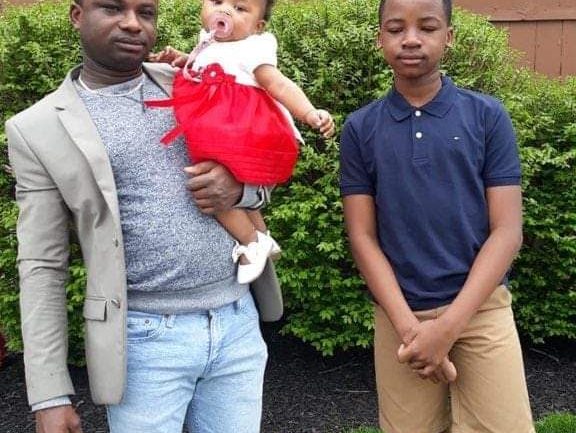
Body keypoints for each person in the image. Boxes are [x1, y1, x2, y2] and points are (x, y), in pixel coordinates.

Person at [5, 0, 283, 431]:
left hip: (236, 324)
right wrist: (49, 395)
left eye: (146, 12)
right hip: (142, 343)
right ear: (77, 16)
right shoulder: (37, 128)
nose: (133, 24)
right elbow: (42, 264)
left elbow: (264, 158)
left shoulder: (195, 79)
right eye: (113, 9)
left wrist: (239, 189)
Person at [340, 0, 535, 432]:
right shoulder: (360, 128)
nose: (410, 39)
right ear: (380, 39)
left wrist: (447, 328)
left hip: (481, 309)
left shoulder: (487, 116)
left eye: (427, 27)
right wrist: (412, 330)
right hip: (400, 314)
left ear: (448, 37)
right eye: (396, 29)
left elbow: (507, 231)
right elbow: (362, 236)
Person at [147, 0, 335, 284]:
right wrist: (184, 59)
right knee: (233, 180)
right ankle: (261, 235)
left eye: (239, 8)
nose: (225, 11)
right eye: (217, 2)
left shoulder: (253, 48)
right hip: (219, 121)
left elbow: (279, 84)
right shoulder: (209, 42)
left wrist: (309, 112)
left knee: (208, 182)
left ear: (258, 26)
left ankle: (250, 242)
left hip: (237, 125)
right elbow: (208, 65)